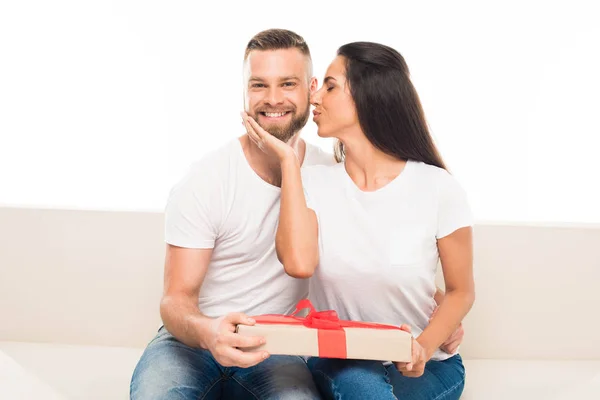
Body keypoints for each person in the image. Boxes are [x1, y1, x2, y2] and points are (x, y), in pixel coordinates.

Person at [243, 41, 475, 400]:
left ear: (368, 95)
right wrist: (289, 162)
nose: (315, 96)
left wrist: (423, 347)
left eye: (331, 86)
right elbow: (297, 263)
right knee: (358, 384)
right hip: (341, 357)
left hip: (426, 362)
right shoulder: (313, 182)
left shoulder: (438, 188)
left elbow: (461, 291)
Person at [129, 28, 332, 400]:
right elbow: (175, 299)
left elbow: (370, 247)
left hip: (277, 347)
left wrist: (432, 308)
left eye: (287, 83)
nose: (273, 99)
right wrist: (209, 332)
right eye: (258, 85)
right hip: (191, 343)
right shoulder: (207, 179)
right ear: (244, 91)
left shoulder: (330, 174)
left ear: (310, 87)